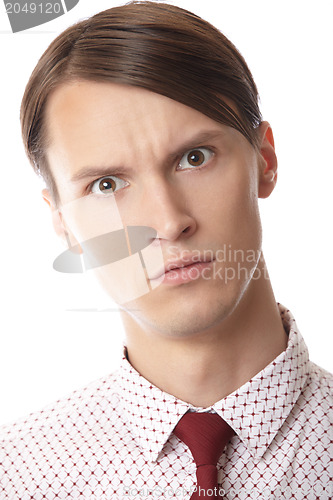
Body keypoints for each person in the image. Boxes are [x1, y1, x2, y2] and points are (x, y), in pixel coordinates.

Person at [0, 1, 332, 499]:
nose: (168, 222)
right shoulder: (19, 473)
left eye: (194, 158)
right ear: (62, 220)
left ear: (264, 160)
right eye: (107, 184)